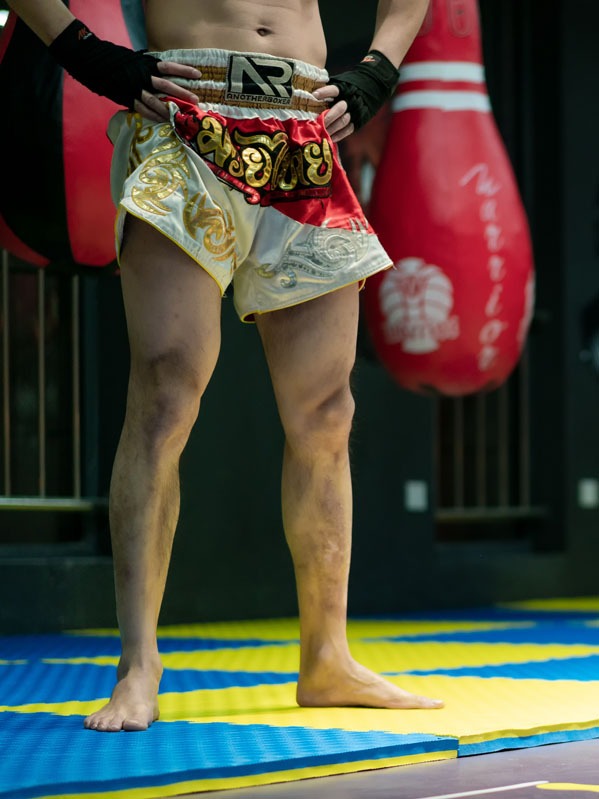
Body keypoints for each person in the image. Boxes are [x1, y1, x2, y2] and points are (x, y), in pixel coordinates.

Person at [7, 0, 443, 732]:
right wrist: (87, 52)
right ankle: (138, 661)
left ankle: (326, 657)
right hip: (186, 108)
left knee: (326, 411)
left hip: (303, 117)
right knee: (166, 388)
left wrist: (377, 68)